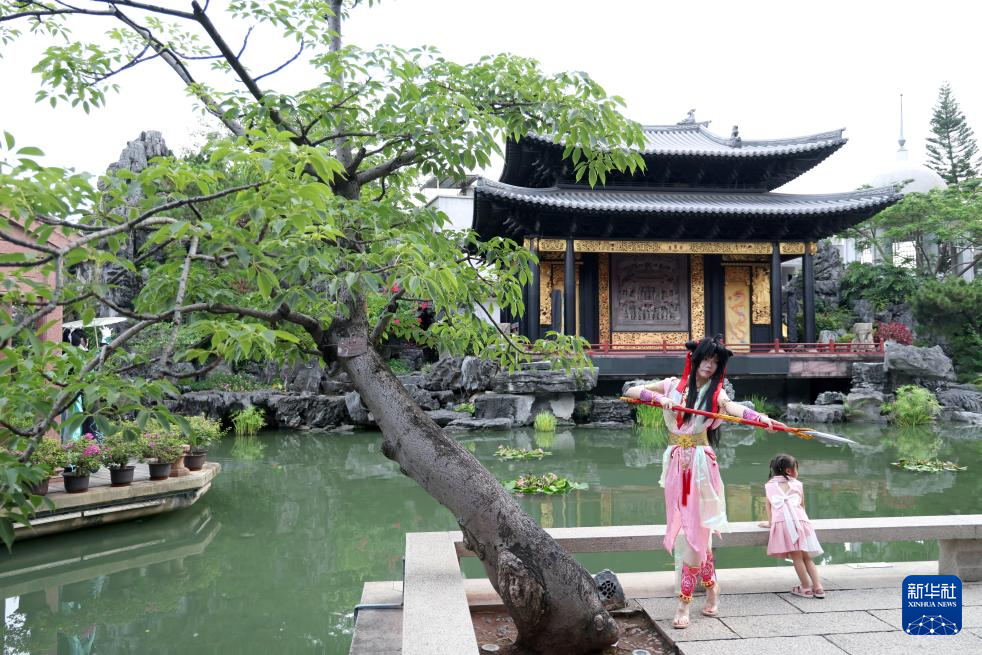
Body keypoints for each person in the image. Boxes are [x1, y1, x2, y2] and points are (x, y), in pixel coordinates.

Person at [624, 335, 785, 628]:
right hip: (676, 463)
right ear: (695, 359)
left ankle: (684, 603)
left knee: (696, 530)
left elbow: (734, 409)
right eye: (706, 359)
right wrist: (660, 399)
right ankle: (712, 588)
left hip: (701, 466)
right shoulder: (673, 385)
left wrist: (761, 418)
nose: (709, 366)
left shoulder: (716, 394)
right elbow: (632, 390)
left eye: (715, 362)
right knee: (692, 531)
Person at [758, 453, 825, 598]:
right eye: (796, 468)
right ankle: (818, 587)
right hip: (802, 522)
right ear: (789, 471)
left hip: (785, 525)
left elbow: (769, 508)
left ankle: (806, 588)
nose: (797, 471)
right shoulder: (798, 484)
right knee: (806, 556)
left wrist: (770, 523)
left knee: (797, 557)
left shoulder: (769, 486)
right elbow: (802, 505)